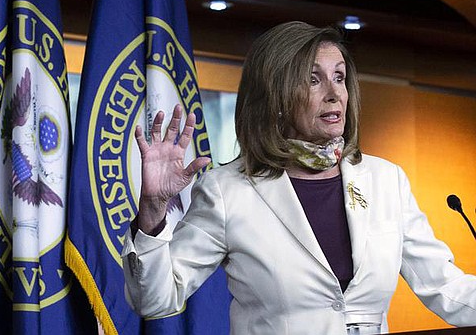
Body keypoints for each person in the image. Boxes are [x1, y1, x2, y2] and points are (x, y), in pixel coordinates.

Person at [123, 21, 476, 334]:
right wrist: (152, 211)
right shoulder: (228, 191)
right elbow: (156, 301)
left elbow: (445, 288)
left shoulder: (387, 181)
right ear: (276, 96)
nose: (334, 93)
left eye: (339, 77)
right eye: (313, 79)